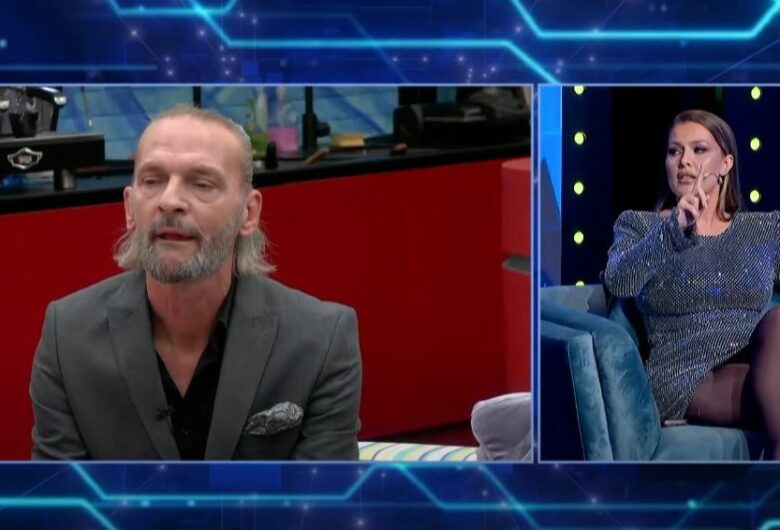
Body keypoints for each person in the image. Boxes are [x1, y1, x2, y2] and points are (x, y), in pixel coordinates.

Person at [30, 105, 362, 460]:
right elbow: (60, 492)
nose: (170, 201)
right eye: (152, 181)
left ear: (248, 213)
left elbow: (319, 494)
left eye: (202, 184)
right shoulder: (67, 337)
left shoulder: (321, 341)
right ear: (129, 208)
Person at [603, 109, 780, 459]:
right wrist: (674, 229)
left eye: (698, 150)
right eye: (675, 151)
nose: (684, 161)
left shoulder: (765, 230)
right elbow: (619, 281)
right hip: (685, 374)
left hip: (758, 362)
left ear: (725, 164)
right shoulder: (640, 226)